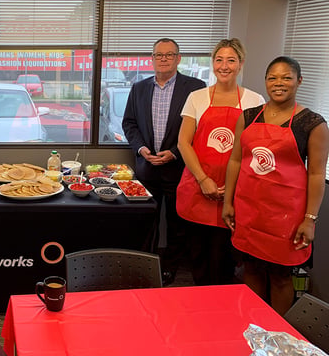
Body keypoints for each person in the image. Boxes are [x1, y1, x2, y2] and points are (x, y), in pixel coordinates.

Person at [222, 56, 328, 315]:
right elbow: (235, 160)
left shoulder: (312, 123)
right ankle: (252, 321)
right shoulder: (248, 117)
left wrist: (310, 219)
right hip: (249, 210)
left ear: (299, 81)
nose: (279, 83)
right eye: (272, 78)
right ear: (265, 81)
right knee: (251, 269)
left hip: (285, 217)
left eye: (286, 77)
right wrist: (228, 202)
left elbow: (315, 174)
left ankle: (279, 331)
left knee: (281, 277)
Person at [176, 38, 265, 285]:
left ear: (241, 64)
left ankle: (222, 313)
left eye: (231, 60)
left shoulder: (254, 100)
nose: (224, 66)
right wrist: (204, 180)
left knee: (225, 259)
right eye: (219, 59)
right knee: (199, 258)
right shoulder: (197, 97)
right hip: (198, 189)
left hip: (234, 193)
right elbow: (184, 143)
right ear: (212, 63)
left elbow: (255, 147)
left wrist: (232, 188)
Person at [122, 38, 206, 285]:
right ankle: (143, 266)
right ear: (152, 58)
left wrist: (175, 152)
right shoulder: (139, 88)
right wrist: (141, 149)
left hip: (179, 169)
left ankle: (169, 269)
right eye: (159, 55)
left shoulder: (196, 88)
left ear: (179, 58)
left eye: (170, 55)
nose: (164, 59)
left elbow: (200, 128)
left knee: (177, 225)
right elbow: (129, 123)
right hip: (146, 167)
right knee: (146, 221)